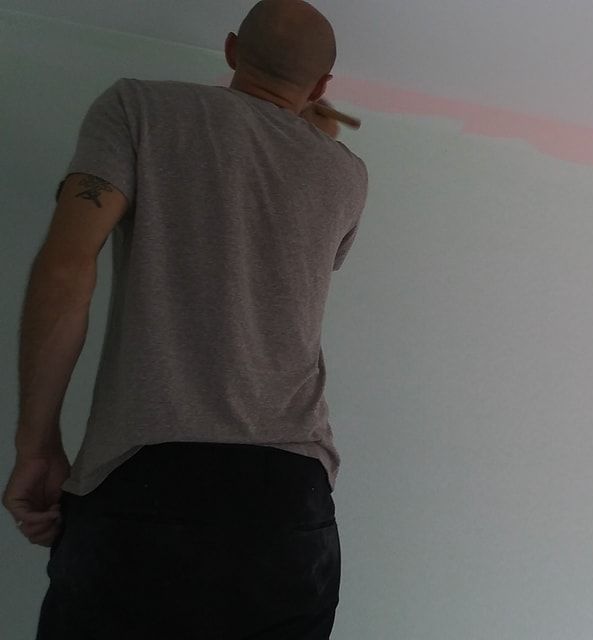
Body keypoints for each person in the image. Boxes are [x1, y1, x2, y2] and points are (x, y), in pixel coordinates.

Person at [2, 1, 367, 637]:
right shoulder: (346, 174)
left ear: (230, 50)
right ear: (322, 86)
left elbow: (65, 274)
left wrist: (37, 446)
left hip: (149, 483)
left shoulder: (138, 109)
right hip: (291, 504)